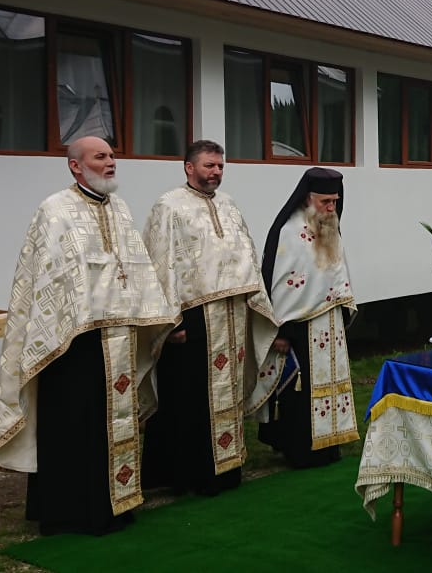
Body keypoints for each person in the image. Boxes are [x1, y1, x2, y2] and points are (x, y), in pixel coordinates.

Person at [0, 136, 178, 536]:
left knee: (115, 424)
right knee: (74, 426)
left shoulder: (121, 209)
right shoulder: (54, 211)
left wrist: (154, 317)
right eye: (101, 157)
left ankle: (116, 504)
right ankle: (69, 511)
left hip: (120, 337)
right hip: (73, 343)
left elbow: (137, 268)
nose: (111, 162)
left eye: (111, 156)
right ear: (76, 166)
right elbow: (46, 279)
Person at [141, 140, 282, 496]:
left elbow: (245, 255)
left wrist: (254, 302)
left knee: (228, 391)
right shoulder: (168, 206)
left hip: (232, 315)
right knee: (189, 395)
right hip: (192, 318)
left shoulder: (230, 205)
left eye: (220, 166)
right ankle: (189, 474)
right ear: (189, 167)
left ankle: (226, 469)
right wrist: (171, 320)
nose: (216, 172)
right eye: (209, 166)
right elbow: (160, 265)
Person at [256, 167, 359, 468]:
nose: (331, 208)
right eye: (325, 202)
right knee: (300, 393)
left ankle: (330, 445)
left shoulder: (330, 227)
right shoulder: (288, 231)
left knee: (331, 386)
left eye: (335, 202)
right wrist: (281, 331)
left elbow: (337, 275)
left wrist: (341, 307)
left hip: (331, 324)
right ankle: (300, 450)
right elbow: (277, 282)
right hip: (298, 329)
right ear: (307, 199)